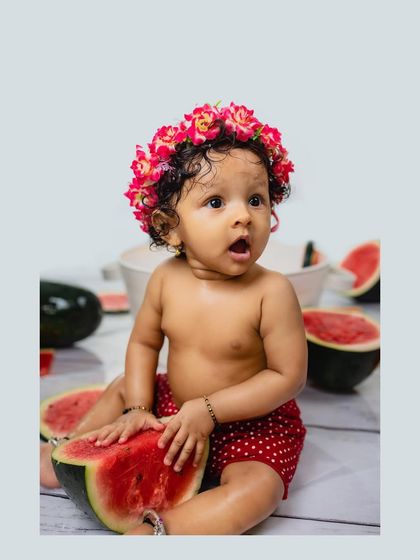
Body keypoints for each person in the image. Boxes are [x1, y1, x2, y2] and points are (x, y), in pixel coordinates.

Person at [40, 101, 308, 535]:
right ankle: (64, 450)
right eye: (216, 202)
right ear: (169, 227)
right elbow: (145, 344)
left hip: (252, 425)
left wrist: (210, 410)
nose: (243, 215)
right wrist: (140, 407)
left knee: (261, 490)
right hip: (170, 413)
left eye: (256, 199)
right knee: (124, 383)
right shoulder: (166, 279)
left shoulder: (272, 291)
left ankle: (167, 530)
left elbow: (287, 377)